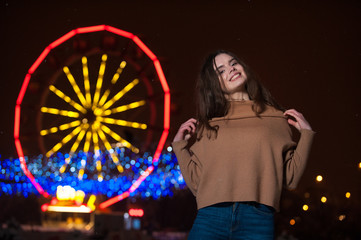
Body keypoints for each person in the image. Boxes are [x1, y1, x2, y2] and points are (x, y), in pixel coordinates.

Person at [172, 50, 315, 240]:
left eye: (233, 63)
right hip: (210, 218)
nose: (231, 69)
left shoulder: (276, 118)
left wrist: (306, 135)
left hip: (257, 219)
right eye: (221, 71)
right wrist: (179, 146)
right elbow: (198, 185)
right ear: (214, 84)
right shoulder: (209, 124)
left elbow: (290, 178)